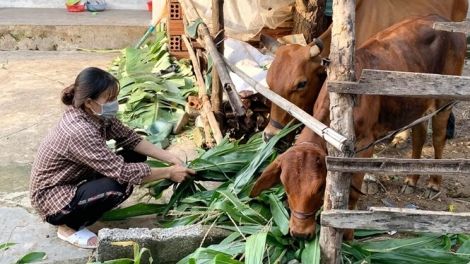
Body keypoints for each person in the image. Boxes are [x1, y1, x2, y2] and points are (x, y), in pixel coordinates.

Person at [29, 67, 196, 249]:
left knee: (135, 154)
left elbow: (130, 138)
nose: (114, 103)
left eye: (115, 97)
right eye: (109, 99)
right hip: (53, 198)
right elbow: (123, 173)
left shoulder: (97, 114)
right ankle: (68, 227)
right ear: (89, 102)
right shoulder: (79, 130)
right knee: (120, 186)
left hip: (75, 179)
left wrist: (170, 157)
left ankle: (91, 201)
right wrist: (169, 173)